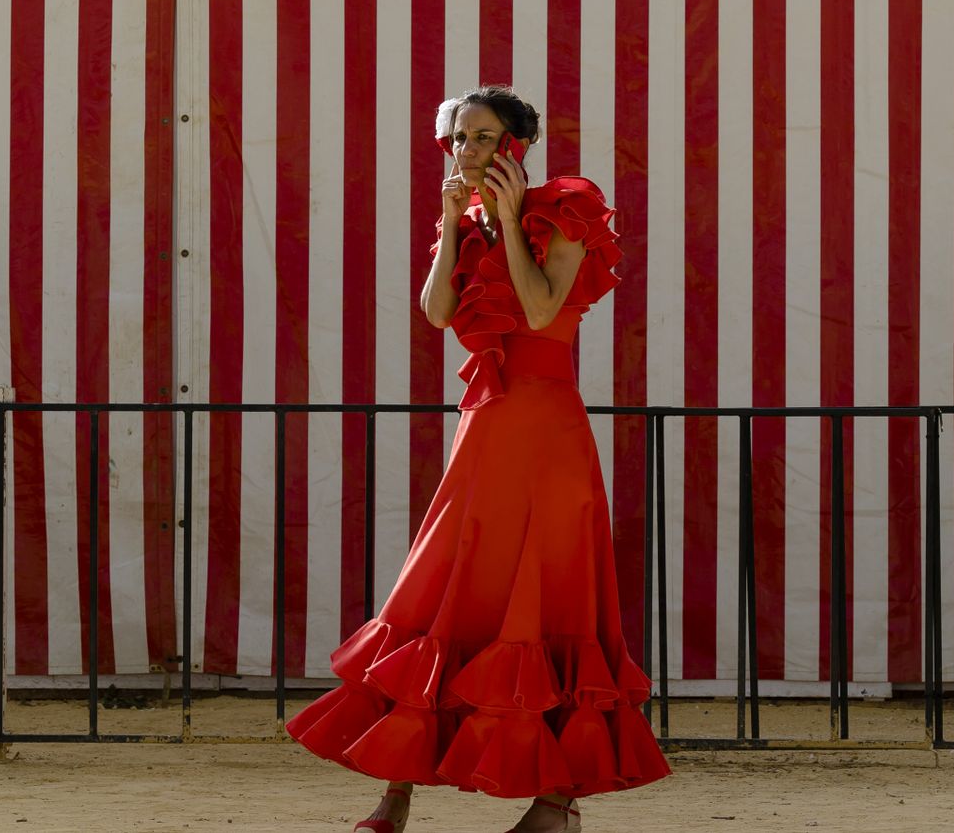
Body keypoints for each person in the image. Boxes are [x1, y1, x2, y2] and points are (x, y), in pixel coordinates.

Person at [287, 86, 671, 832]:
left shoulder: (567, 204)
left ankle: (556, 803)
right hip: (485, 427)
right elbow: (436, 312)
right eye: (459, 137)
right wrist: (453, 228)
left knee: (549, 600)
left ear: (518, 144)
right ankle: (395, 791)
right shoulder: (464, 220)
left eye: (486, 136)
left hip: (546, 431)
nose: (469, 150)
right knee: (440, 594)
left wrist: (504, 221)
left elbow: (535, 311)